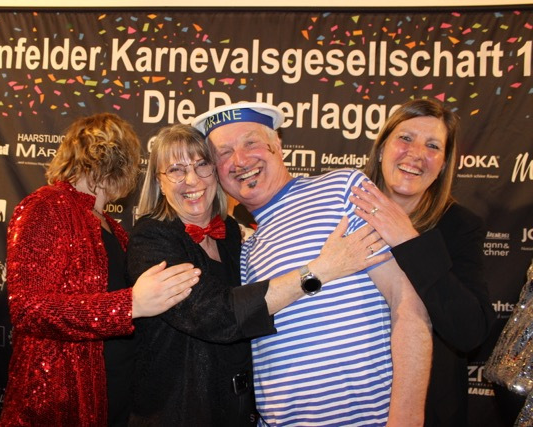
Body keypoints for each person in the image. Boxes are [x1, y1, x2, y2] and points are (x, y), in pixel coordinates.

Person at [126, 124, 389, 426]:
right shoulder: (152, 238)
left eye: (202, 165)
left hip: (240, 415)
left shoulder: (233, 236)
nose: (192, 179)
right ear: (158, 182)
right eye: (175, 170)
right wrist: (319, 271)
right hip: (178, 413)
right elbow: (214, 315)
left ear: (216, 173)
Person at [192, 101, 432, 426]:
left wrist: (407, 417)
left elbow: (406, 301)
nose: (240, 160)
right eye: (224, 153)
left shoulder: (343, 189)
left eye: (251, 143)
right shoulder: (244, 250)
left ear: (277, 145)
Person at [0, 113, 201, 427]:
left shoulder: (111, 226)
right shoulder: (46, 205)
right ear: (119, 160)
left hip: (115, 396)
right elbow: (28, 309)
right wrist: (128, 305)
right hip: (61, 399)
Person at [350, 98, 496, 427]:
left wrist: (409, 241)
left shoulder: (459, 226)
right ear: (381, 148)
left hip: (427, 411)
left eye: (432, 145)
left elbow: (470, 332)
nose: (416, 154)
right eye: (405, 138)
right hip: (343, 403)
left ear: (443, 164)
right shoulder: (340, 210)